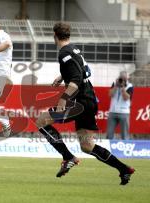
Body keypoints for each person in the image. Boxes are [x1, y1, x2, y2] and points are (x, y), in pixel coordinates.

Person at [36, 22, 135, 185]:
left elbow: (75, 79)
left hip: (79, 102)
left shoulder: (64, 53)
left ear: (55, 35)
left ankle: (68, 157)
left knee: (41, 121)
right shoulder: (74, 49)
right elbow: (84, 71)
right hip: (89, 101)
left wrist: (63, 99)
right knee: (87, 146)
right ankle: (123, 169)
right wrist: (62, 77)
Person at [106, 71, 134, 140]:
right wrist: (116, 86)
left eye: (124, 78)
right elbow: (110, 94)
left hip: (124, 112)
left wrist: (122, 87)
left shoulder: (130, 86)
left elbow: (126, 98)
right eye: (121, 78)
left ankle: (125, 148)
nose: (122, 80)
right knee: (109, 134)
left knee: (125, 135)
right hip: (113, 111)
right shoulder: (115, 84)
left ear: (127, 78)